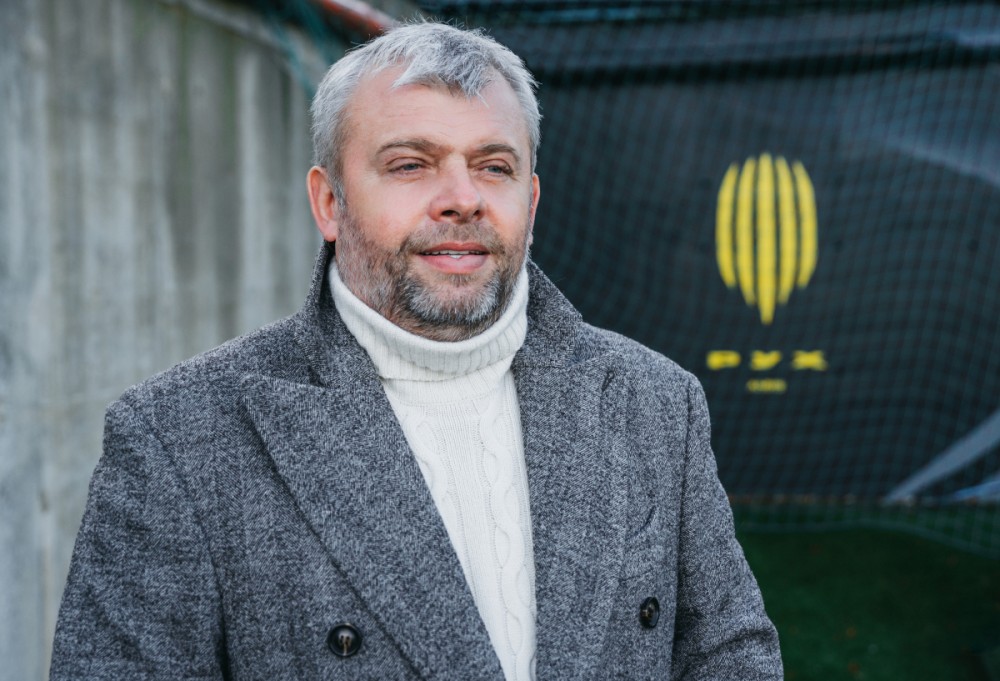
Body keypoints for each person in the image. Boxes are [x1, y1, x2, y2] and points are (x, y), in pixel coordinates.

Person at [51, 22, 782, 680]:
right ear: (329, 202)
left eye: (493, 166)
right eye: (410, 164)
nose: (462, 197)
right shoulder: (177, 438)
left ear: (531, 202)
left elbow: (729, 654)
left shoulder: (656, 401)